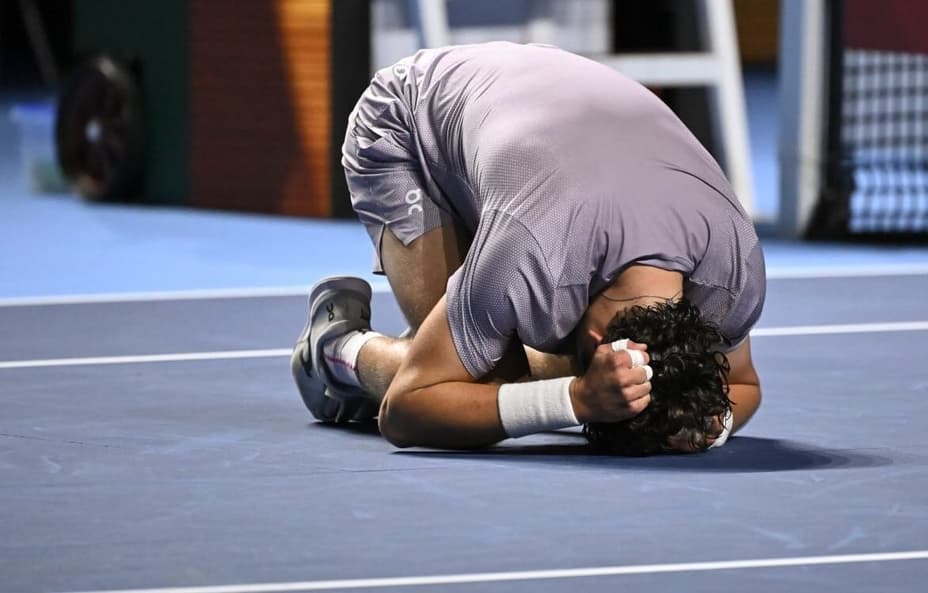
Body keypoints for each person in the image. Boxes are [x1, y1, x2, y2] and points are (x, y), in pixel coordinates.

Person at [291, 42, 765, 456]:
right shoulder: (532, 254)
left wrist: (703, 423)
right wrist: (577, 400)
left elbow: (740, 386)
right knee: (482, 385)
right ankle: (334, 348)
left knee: (518, 381)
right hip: (406, 120)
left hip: (542, 114)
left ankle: (451, 339)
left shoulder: (732, 271)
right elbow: (406, 410)